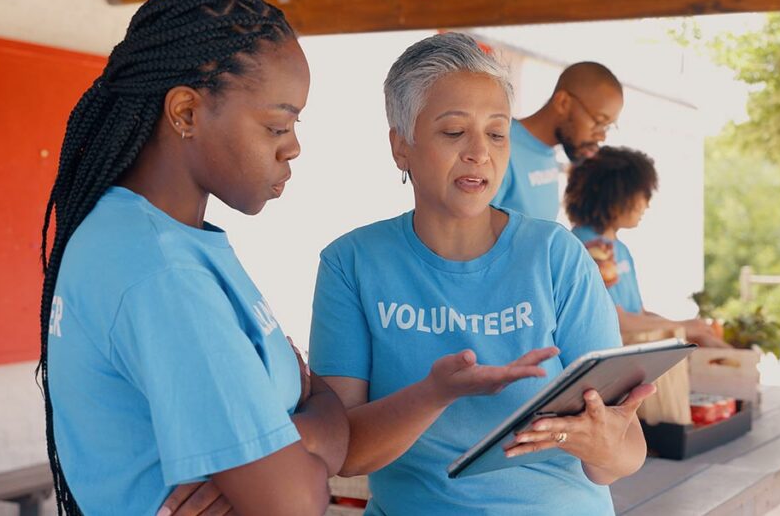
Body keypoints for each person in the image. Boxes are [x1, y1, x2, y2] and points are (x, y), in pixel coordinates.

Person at [308, 32, 654, 516]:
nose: (479, 153)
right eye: (454, 133)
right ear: (400, 146)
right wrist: (435, 394)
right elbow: (341, 452)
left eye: (496, 132)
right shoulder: (351, 263)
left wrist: (598, 441)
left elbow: (626, 452)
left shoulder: (559, 256)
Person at [38, 0, 347, 514]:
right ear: (184, 112)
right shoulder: (160, 271)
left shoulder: (147, 236)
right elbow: (295, 501)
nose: (293, 147)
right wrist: (321, 415)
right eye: (277, 124)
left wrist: (300, 438)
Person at [565, 146, 729, 348]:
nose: (647, 204)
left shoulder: (618, 248)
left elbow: (638, 314)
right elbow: (619, 322)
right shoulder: (592, 248)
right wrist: (682, 327)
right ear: (617, 194)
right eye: (644, 194)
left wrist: (690, 330)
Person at [492, 61, 624, 221]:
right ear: (563, 103)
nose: (602, 136)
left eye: (607, 126)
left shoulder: (548, 152)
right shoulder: (499, 147)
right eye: (598, 122)